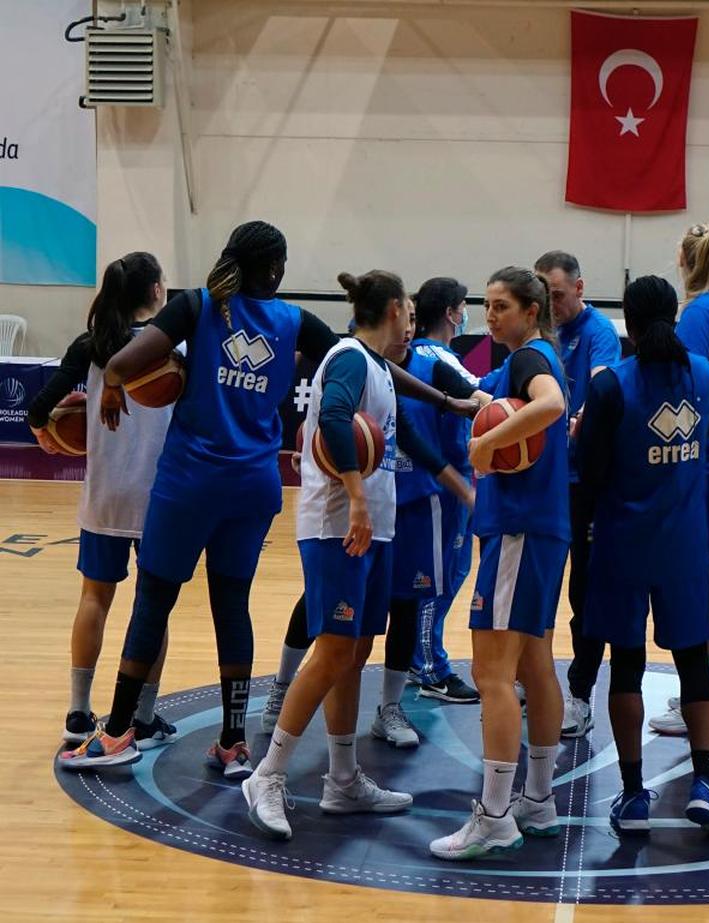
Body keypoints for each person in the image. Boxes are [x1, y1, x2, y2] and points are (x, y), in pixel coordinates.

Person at [58, 221, 474, 774]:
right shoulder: (293, 320)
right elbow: (380, 368)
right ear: (276, 270)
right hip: (254, 485)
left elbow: (125, 361)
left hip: (189, 483)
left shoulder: (199, 306)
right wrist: (446, 401)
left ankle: (115, 733)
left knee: (154, 600)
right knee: (232, 605)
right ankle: (234, 741)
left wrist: (112, 380)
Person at [259, 297, 481, 746]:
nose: (411, 329)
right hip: (349, 516)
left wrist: (462, 487)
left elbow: (415, 432)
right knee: (333, 636)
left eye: (419, 320)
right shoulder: (353, 360)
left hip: (401, 511)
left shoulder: (393, 368)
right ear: (390, 313)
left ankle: (382, 718)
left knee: (385, 623)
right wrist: (354, 492)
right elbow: (335, 418)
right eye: (407, 317)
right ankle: (281, 700)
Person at [577, 275, 709, 834]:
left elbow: (588, 473)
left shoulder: (612, 386)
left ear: (631, 321)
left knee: (627, 666)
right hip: (687, 541)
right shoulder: (701, 375)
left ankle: (634, 792)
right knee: (695, 661)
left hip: (624, 540)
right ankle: (705, 782)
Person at [429, 267, 570, 861]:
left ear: (532, 311)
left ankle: (493, 817)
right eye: (486, 306)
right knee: (535, 663)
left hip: (518, 531)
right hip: (537, 529)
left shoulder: (534, 360)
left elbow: (553, 405)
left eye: (502, 306)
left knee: (491, 674)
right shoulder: (523, 360)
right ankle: (537, 799)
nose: (491, 316)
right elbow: (483, 396)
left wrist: (486, 445)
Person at [29, 252, 176, 750]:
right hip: (160, 497)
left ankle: (76, 711)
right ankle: (146, 715)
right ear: (157, 292)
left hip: (105, 496)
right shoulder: (172, 351)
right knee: (153, 609)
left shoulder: (91, 346)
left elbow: (36, 408)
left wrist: (48, 435)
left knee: (94, 599)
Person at [649, 222, 709, 737]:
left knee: (706, 579)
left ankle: (704, 690)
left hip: (704, 458)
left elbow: (683, 393)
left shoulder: (697, 315)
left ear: (683, 258)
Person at [533, 250, 621, 738]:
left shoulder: (599, 334)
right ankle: (534, 677)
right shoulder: (539, 335)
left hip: (586, 483)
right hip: (542, 483)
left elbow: (602, 398)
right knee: (538, 587)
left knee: (584, 593)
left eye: (559, 295)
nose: (552, 303)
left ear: (580, 288)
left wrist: (577, 423)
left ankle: (580, 694)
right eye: (544, 295)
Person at [408, 277, 484, 703]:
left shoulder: (411, 355)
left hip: (423, 481)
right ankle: (431, 667)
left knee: (434, 576)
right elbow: (482, 397)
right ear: (454, 312)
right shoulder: (440, 356)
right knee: (441, 578)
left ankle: (417, 658)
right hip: (442, 482)